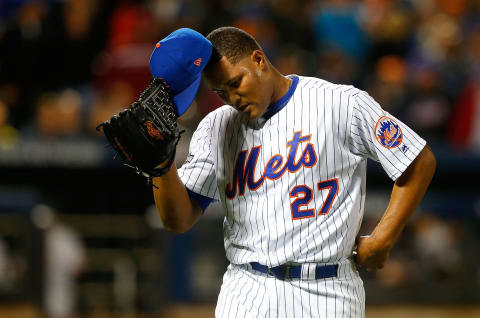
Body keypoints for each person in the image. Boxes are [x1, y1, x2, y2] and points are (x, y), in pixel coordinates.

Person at [150, 27, 436, 317]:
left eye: (236, 82)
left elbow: (418, 160)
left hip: (328, 291)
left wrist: (383, 237)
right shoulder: (215, 127)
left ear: (259, 59)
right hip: (247, 288)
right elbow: (179, 220)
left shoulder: (340, 103)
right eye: (221, 92)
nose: (232, 98)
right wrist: (161, 166)